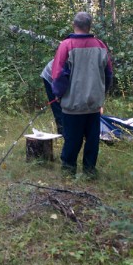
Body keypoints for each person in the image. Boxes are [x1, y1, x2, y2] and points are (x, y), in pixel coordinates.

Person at [51, 12, 113, 176]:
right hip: (94, 103)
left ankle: (69, 171)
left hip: (73, 103)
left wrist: (58, 94)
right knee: (92, 140)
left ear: (74, 25)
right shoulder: (101, 46)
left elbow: (58, 75)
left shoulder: (66, 45)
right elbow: (108, 75)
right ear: (89, 26)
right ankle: (89, 171)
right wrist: (102, 94)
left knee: (72, 139)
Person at [40, 59, 64, 134]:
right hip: (51, 74)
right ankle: (62, 132)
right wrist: (58, 92)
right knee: (57, 106)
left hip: (62, 76)